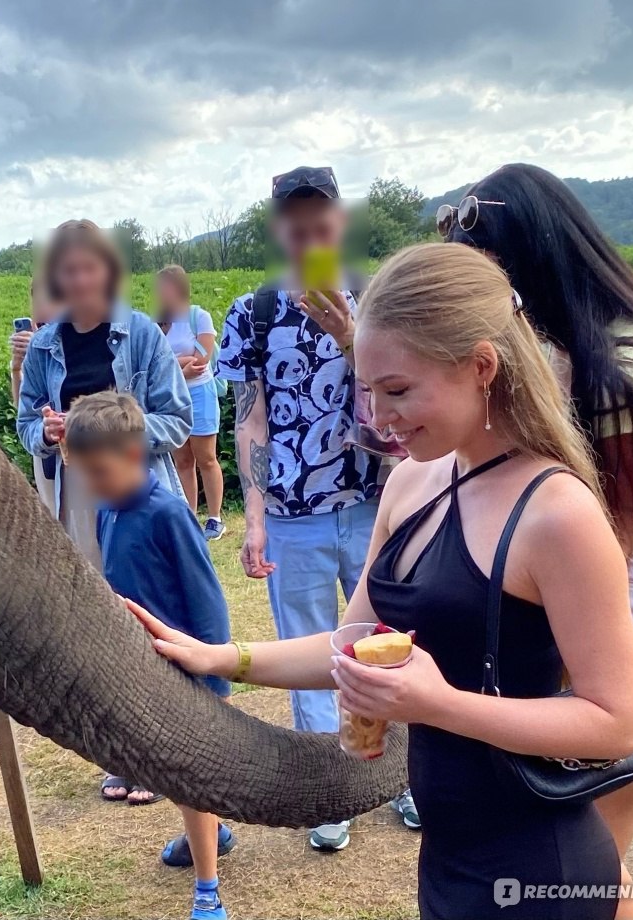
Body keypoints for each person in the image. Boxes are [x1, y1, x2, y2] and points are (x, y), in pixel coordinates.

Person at [131, 242, 633, 920]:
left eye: (398, 391)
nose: (377, 417)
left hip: (538, 866)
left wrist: (436, 704)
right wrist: (224, 657)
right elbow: (354, 638)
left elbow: (616, 723)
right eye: (367, 391)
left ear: (481, 368)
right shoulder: (411, 482)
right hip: (447, 857)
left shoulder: (557, 514)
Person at [445, 163, 633, 914]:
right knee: (590, 861)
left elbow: (606, 532)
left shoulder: (630, 370)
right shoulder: (577, 355)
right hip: (610, 583)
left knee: (587, 851)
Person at [215, 165, 405, 850]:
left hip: (376, 504)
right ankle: (333, 790)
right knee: (314, 656)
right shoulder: (253, 312)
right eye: (296, 230)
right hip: (293, 515)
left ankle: (405, 779)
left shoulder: (379, 299)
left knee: (390, 643)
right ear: (279, 231)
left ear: (338, 224)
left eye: (321, 227)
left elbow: (403, 392)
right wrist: (255, 517)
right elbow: (251, 419)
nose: (309, 239)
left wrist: (354, 333)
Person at [17, 218, 192, 804]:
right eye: (67, 270)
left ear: (107, 271)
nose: (79, 279)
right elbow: (23, 427)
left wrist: (111, 428)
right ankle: (123, 752)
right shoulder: (44, 344)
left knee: (146, 617)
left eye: (89, 267)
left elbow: (179, 418)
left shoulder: (140, 333)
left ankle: (164, 748)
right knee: (96, 622)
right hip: (71, 495)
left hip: (135, 493)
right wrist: (46, 430)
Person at [64, 391, 235, 920]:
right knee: (164, 767)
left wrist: (213, 675)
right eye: (83, 475)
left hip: (185, 671)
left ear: (135, 456)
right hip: (142, 673)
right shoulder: (109, 511)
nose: (92, 486)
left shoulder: (168, 514)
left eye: (100, 472)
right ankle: (212, 831)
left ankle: (207, 889)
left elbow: (207, 601)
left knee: (189, 776)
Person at [155, 265, 227, 539]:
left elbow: (202, 358)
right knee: (182, 459)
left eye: (166, 288)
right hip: (172, 397)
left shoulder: (200, 317)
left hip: (200, 394)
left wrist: (175, 365)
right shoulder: (158, 324)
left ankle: (215, 518)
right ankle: (190, 517)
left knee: (206, 457)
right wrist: (179, 366)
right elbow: (156, 363)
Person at [10, 275, 63, 512]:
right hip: (43, 444)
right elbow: (21, 406)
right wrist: (17, 367)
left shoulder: (71, 338)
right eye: (35, 298)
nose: (41, 305)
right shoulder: (33, 341)